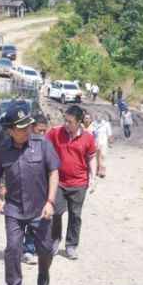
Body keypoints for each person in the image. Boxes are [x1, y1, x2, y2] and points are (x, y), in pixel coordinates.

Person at [0, 104, 61, 285]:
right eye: (21, 128)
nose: (27, 130)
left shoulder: (42, 144)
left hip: (40, 208)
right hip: (13, 208)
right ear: (10, 130)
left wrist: (50, 201)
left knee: (45, 249)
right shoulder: (2, 149)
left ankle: (43, 270)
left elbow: (54, 172)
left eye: (28, 126)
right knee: (13, 249)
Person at [46, 105, 98, 260]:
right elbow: (42, 143)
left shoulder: (88, 138)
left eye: (69, 122)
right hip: (59, 182)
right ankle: (55, 240)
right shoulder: (56, 133)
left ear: (79, 122)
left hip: (79, 183)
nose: (66, 124)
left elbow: (91, 157)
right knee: (56, 213)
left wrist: (93, 178)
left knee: (75, 215)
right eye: (65, 120)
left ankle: (71, 246)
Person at [22, 113, 51, 265]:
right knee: (23, 221)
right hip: (22, 191)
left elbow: (52, 169)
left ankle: (30, 248)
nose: (42, 134)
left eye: (44, 131)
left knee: (37, 222)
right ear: (31, 128)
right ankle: (25, 248)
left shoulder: (46, 144)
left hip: (40, 191)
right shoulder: (20, 143)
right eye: (40, 131)